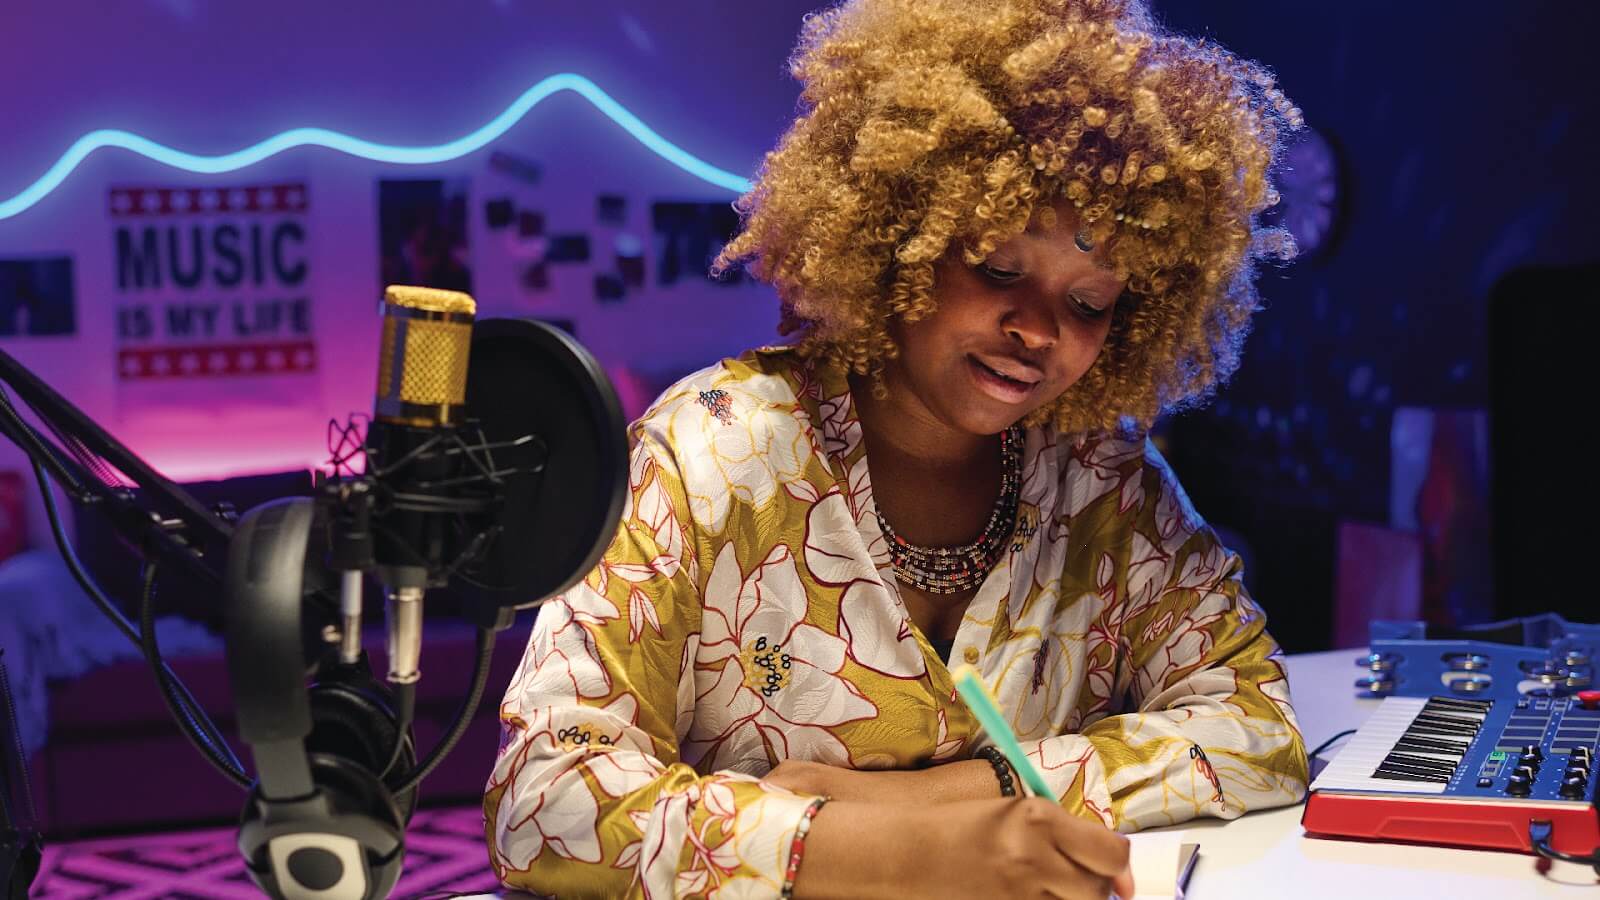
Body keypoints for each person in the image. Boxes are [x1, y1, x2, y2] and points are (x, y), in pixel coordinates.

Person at [486, 0, 1309, 896]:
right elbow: (546, 799)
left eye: (1088, 302)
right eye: (998, 269)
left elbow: (1258, 726)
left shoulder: (1104, 482)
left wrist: (942, 804)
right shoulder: (710, 453)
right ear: (894, 241)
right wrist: (873, 855)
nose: (1037, 330)